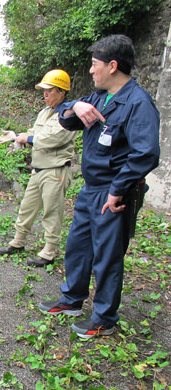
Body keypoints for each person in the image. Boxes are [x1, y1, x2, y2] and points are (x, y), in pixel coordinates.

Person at [38, 35, 160, 338]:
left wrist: (118, 189)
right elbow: (67, 120)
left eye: (95, 65)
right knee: (77, 246)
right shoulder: (97, 98)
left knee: (107, 255)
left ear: (113, 65)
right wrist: (76, 105)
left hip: (114, 191)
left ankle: (104, 317)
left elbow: (146, 154)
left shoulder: (137, 103)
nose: (91, 71)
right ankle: (72, 300)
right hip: (90, 187)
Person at [0, 70, 77, 267]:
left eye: (49, 91)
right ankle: (18, 241)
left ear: (62, 91)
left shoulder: (68, 114)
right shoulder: (44, 112)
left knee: (52, 211)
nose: (45, 95)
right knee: (26, 208)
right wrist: (18, 136)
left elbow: (53, 138)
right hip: (38, 170)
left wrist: (28, 138)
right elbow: (35, 132)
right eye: (44, 91)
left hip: (55, 171)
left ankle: (49, 251)